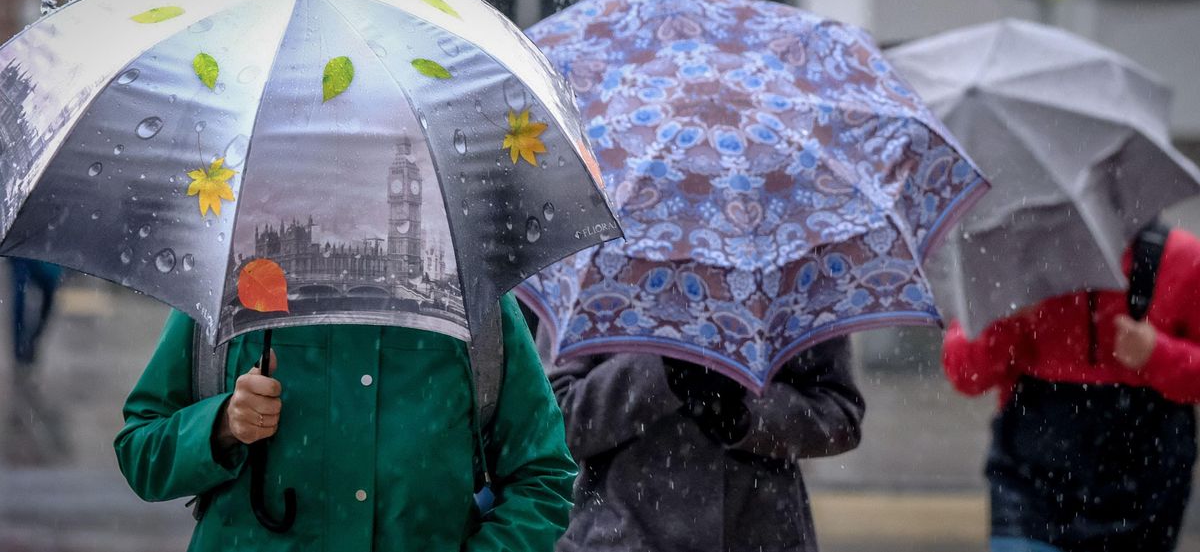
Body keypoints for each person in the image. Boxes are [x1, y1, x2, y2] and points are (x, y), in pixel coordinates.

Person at [114, 293, 576, 551]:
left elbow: (543, 475)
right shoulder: (236, 288)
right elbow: (141, 451)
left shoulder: (472, 301)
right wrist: (221, 425)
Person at [943, 225, 1200, 552]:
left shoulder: (1179, 257)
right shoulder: (1009, 261)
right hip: (1031, 481)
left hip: (1144, 483)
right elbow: (964, 373)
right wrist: (1004, 321)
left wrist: (1157, 355)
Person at [536, 319, 865, 552]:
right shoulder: (600, 264)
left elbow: (839, 415)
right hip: (619, 537)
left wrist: (743, 415)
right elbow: (553, 423)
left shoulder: (789, 265)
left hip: (762, 534)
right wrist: (662, 370)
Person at [9, 258, 63, 375]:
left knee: (48, 292)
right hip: (23, 252)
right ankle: (20, 347)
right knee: (20, 296)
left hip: (48, 256)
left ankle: (29, 341)